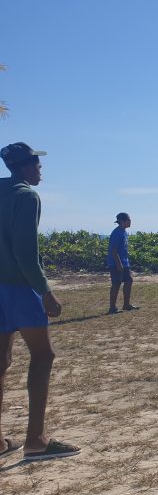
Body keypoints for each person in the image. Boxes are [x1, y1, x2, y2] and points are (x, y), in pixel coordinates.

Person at [0, 143, 80, 461]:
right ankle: (36, 440)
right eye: (37, 163)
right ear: (26, 165)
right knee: (43, 355)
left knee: (2, 362)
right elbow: (25, 253)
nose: (40, 169)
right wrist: (45, 291)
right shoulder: (26, 195)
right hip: (19, 287)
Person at [106, 212, 139, 314]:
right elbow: (114, 250)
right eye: (128, 220)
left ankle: (126, 305)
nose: (130, 221)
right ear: (122, 221)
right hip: (116, 263)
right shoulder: (116, 233)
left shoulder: (124, 232)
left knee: (129, 281)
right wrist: (118, 263)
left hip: (125, 262)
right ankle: (112, 308)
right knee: (116, 284)